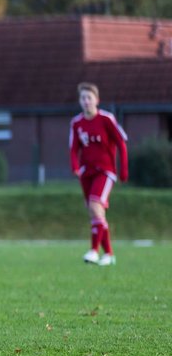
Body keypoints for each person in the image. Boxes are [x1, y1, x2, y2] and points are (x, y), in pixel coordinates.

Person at [70, 82, 128, 266]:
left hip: (105, 171)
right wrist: (75, 166)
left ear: (96, 100)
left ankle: (94, 251)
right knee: (96, 214)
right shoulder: (77, 123)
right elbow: (73, 148)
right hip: (87, 173)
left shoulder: (106, 119)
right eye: (83, 98)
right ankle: (109, 254)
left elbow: (121, 142)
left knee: (95, 206)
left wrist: (124, 168)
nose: (86, 101)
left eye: (89, 98)